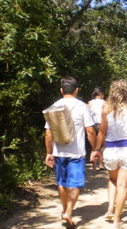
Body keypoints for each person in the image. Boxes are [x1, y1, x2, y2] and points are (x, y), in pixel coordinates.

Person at [44, 77, 97, 229]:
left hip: (59, 152)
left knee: (62, 182)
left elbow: (48, 134)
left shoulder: (53, 107)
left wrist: (49, 152)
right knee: (75, 184)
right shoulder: (82, 107)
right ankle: (68, 212)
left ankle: (64, 209)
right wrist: (95, 149)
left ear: (61, 90)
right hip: (76, 153)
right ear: (76, 90)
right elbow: (90, 131)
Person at [93, 79, 127, 228]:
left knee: (113, 181)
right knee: (123, 186)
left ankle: (110, 209)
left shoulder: (106, 107)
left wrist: (96, 150)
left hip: (111, 150)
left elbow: (102, 132)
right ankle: (117, 219)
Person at [88, 86, 105, 170]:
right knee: (102, 145)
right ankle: (101, 163)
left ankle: (94, 165)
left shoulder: (90, 103)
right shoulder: (104, 103)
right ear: (101, 93)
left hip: (92, 124)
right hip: (102, 124)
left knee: (94, 145)